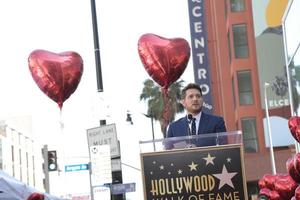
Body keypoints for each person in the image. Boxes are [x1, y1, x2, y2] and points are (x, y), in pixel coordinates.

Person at [166, 83, 227, 147]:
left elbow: (224, 148)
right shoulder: (173, 128)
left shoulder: (216, 122)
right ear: (183, 102)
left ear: (202, 100)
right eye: (191, 96)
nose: (195, 99)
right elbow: (169, 152)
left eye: (198, 96)